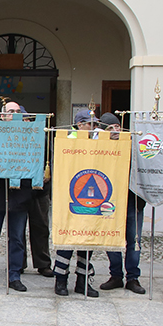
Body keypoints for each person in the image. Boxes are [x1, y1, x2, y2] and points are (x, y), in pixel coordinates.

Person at [0, 101, 31, 292]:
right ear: (2, 116)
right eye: (11, 112)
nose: (15, 114)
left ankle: (14, 275)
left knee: (17, 238)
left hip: (20, 195)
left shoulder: (29, 137)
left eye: (18, 111)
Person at [98, 113, 146, 295]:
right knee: (112, 239)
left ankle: (133, 277)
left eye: (117, 127)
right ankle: (116, 275)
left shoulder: (133, 148)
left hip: (133, 201)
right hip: (111, 202)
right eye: (110, 128)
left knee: (134, 240)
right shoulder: (100, 150)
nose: (115, 130)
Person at [53, 108, 99, 297]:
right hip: (69, 196)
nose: (95, 127)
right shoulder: (68, 139)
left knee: (87, 239)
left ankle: (83, 281)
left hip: (91, 196)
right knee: (67, 239)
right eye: (91, 124)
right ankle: (61, 280)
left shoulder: (98, 141)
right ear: (80, 124)